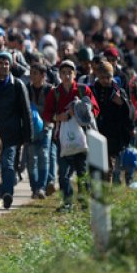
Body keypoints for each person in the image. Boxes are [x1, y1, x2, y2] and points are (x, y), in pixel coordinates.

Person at [0, 52, 33, 209]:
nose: (4, 66)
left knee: (9, 165)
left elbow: (26, 111)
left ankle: (7, 193)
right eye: (1, 63)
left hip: (11, 133)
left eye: (7, 63)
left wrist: (28, 135)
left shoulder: (17, 85)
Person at [43, 60, 100, 211]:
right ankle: (67, 202)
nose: (67, 75)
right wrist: (57, 117)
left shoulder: (83, 90)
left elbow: (95, 109)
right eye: (64, 73)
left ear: (74, 74)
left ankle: (84, 201)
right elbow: (46, 114)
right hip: (61, 139)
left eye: (70, 72)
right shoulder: (54, 93)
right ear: (59, 75)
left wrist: (81, 111)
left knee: (82, 171)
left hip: (82, 138)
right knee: (63, 173)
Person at [91, 61, 135, 184]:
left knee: (108, 167)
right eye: (102, 77)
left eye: (108, 77)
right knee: (95, 168)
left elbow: (130, 112)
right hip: (96, 132)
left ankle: (106, 194)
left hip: (113, 135)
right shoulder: (93, 90)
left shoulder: (118, 92)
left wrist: (122, 103)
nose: (105, 80)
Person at [26, 63, 55, 198]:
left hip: (46, 127)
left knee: (44, 156)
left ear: (43, 75)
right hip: (30, 129)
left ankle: (42, 188)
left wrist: (36, 110)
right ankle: (34, 187)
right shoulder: (26, 89)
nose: (32, 76)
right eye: (31, 72)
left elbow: (52, 109)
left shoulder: (50, 90)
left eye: (35, 73)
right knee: (31, 159)